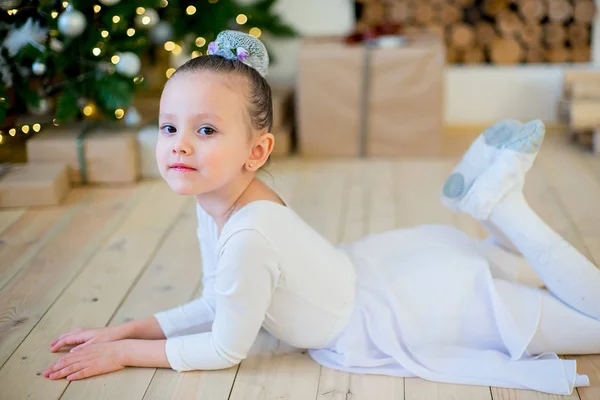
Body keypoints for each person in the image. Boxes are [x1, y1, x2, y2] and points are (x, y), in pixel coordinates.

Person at [43, 31, 600, 395]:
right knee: (528, 280)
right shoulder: (214, 200)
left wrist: (124, 355)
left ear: (256, 153)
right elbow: (219, 302)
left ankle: (506, 208)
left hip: (409, 309)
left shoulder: (248, 234)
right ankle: (495, 214)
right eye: (170, 127)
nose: (179, 145)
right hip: (388, 275)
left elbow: (223, 348)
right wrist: (123, 329)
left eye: (205, 130)